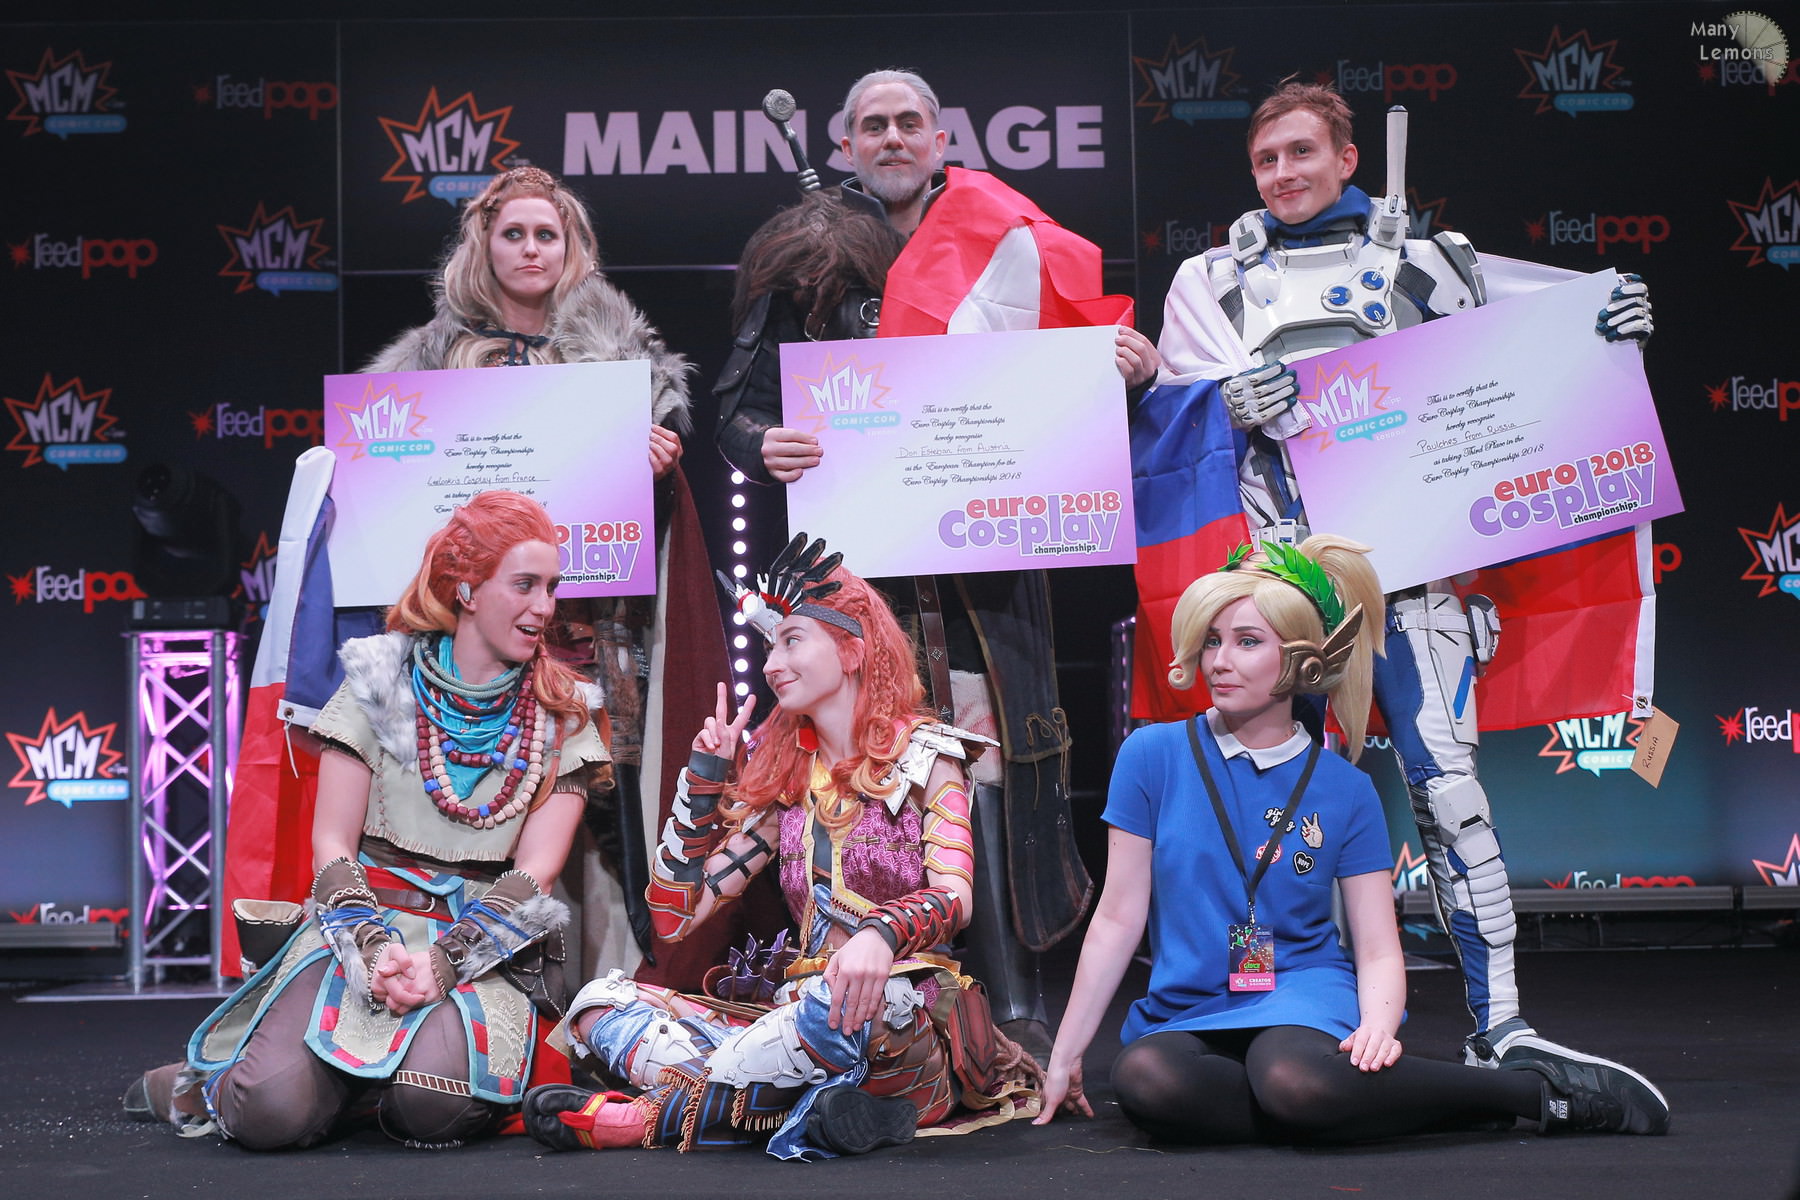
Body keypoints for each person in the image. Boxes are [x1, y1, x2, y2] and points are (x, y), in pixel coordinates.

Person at [1135, 80, 1658, 1075]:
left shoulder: (1429, 260)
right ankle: (1267, 1012)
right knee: (1267, 805)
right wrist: (1226, 404)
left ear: (1346, 158)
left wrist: (1613, 315)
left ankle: (1501, 1025)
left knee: (1452, 799)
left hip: (1410, 577)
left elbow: (1543, 344)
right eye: (1264, 160)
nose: (1282, 173)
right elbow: (1162, 420)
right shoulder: (1211, 282)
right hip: (1283, 586)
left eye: (1300, 152)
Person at [712, 68, 1157, 1056]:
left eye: (908, 121)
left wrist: (1127, 370)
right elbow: (736, 407)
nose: (892, 137)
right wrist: (761, 442)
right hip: (863, 572)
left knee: (986, 761)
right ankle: (868, 987)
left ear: (940, 136)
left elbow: (1069, 382)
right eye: (872, 124)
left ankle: (1008, 993)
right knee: (871, 767)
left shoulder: (1008, 238)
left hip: (985, 575)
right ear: (847, 142)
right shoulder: (814, 247)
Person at [1037, 535, 1669, 1144]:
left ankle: (1533, 1095)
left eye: (1247, 641)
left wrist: (1378, 1024)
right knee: (1148, 1083)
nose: (1220, 661)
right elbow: (1117, 917)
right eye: (1212, 640)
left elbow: (1376, 945)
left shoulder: (1344, 788)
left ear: (1302, 659)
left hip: (1304, 990)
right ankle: (1348, 1108)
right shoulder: (1151, 755)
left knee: (1294, 1077)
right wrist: (1065, 1055)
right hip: (1190, 1000)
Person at [520, 535, 1039, 1159]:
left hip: (898, 1023)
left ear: (852, 649)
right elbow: (673, 919)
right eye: (770, 646)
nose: (771, 664)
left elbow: (956, 897)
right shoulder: (790, 783)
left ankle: (643, 1118)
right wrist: (701, 784)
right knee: (598, 1006)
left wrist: (880, 936)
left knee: (848, 1009)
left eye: (792, 640)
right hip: (792, 1026)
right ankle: (817, 1111)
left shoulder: (929, 757)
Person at [125, 491, 610, 1149]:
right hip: (361, 929)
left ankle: (355, 1089)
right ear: (466, 588)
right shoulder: (380, 679)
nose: (545, 607)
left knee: (433, 1108)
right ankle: (200, 1086)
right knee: (268, 1112)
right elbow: (332, 842)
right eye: (525, 585)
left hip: (479, 942)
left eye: (552, 587)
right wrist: (374, 948)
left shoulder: (565, 709)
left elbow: (537, 874)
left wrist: (444, 962)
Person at [356, 165, 728, 983]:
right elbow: (399, 497)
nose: (531, 249)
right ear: (483, 246)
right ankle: (475, 984)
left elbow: (649, 515)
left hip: (594, 626)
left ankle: (606, 990)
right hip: (479, 634)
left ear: (571, 248)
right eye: (513, 233)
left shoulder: (621, 361)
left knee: (600, 803)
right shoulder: (430, 365)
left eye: (546, 235)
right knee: (486, 794)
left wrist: (654, 461)